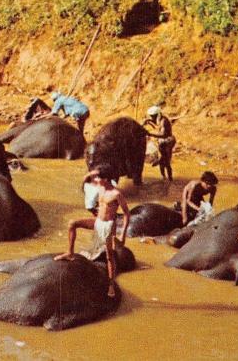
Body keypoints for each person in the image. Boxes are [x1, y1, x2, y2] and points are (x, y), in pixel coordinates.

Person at [55, 166, 130, 297]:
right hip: (97, 221)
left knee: (109, 256)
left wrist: (122, 234)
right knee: (72, 223)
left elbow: (126, 214)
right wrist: (93, 172)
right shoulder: (100, 187)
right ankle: (70, 253)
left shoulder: (116, 194)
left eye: (98, 177)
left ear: (106, 179)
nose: (95, 179)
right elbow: (85, 180)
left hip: (108, 225)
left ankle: (111, 285)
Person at [143, 105, 175, 181]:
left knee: (166, 163)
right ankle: (164, 178)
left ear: (157, 114)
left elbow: (163, 135)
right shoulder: (159, 119)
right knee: (162, 164)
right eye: (151, 116)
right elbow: (158, 128)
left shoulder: (164, 121)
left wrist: (150, 134)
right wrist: (149, 122)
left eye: (153, 116)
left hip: (168, 141)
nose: (152, 118)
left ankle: (170, 179)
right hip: (162, 142)